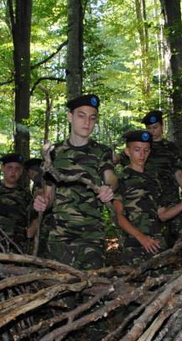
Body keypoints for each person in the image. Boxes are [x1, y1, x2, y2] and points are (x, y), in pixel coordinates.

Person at [33, 94, 116, 270]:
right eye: (81, 115)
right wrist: (42, 202)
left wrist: (108, 188)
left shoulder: (101, 152)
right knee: (61, 293)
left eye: (92, 117)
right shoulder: (54, 152)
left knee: (93, 293)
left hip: (91, 238)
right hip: (60, 239)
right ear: (70, 116)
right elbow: (48, 195)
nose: (87, 122)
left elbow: (111, 178)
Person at [113, 130, 182, 264]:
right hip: (134, 246)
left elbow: (163, 214)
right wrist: (141, 238)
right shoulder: (121, 179)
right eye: (137, 150)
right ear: (127, 152)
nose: (142, 154)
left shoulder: (154, 179)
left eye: (146, 150)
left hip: (157, 244)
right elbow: (119, 217)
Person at [141, 110, 182, 245]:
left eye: (155, 127)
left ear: (162, 126)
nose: (152, 131)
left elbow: (178, 173)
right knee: (157, 237)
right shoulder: (142, 148)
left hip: (171, 198)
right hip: (150, 199)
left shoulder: (171, 148)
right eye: (149, 128)